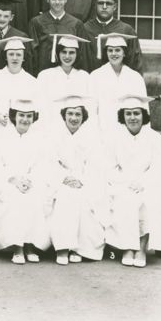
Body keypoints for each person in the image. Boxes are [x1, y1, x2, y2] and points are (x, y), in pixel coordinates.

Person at [106, 94, 161, 268]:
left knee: (149, 200)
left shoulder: (155, 138)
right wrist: (127, 181)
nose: (132, 117)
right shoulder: (115, 138)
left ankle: (142, 248)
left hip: (149, 183)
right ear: (123, 116)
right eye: (128, 113)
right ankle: (128, 247)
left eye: (136, 113)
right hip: (122, 184)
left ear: (143, 115)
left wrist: (142, 182)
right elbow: (109, 167)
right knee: (125, 199)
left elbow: (160, 168)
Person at [45, 96, 109, 264]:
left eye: (78, 114)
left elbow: (96, 165)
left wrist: (82, 180)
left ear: (84, 117)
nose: (74, 118)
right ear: (64, 115)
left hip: (85, 181)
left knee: (86, 200)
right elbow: (49, 162)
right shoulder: (54, 136)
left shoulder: (92, 137)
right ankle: (63, 248)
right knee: (66, 197)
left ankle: (79, 248)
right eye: (70, 114)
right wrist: (64, 178)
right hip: (61, 181)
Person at [0, 98, 51, 265]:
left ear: (33, 117)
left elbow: (43, 165)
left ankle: (30, 246)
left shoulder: (40, 139)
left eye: (29, 116)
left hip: (32, 182)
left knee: (33, 196)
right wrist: (13, 179)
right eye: (21, 115)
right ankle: (18, 248)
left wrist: (30, 180)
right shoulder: (1, 137)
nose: (25, 119)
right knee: (16, 198)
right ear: (14, 116)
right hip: (7, 182)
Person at [28, 0, 90, 74]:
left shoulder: (76, 24)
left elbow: (82, 55)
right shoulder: (36, 22)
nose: (57, 2)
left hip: (68, 74)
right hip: (43, 72)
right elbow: (33, 53)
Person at [88, 34, 147, 135]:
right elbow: (91, 109)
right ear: (106, 53)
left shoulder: (135, 78)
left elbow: (144, 109)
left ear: (124, 53)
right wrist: (94, 133)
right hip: (103, 132)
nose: (113, 53)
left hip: (127, 134)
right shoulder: (96, 76)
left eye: (117, 50)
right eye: (110, 50)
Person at [37, 35, 95, 135]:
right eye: (64, 52)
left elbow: (90, 106)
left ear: (77, 54)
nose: (67, 56)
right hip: (51, 129)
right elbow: (39, 105)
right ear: (58, 53)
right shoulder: (45, 76)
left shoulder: (84, 76)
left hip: (78, 130)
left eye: (71, 52)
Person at [0, 37, 41, 137]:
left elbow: (38, 109)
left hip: (23, 133)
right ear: (5, 56)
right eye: (11, 54)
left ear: (23, 57)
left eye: (18, 54)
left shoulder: (32, 82)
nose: (14, 58)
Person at [83, 0, 144, 73]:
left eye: (108, 3)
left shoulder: (126, 30)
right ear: (95, 5)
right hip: (90, 81)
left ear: (115, 7)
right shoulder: (85, 29)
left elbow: (135, 62)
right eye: (101, 3)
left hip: (118, 82)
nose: (104, 7)